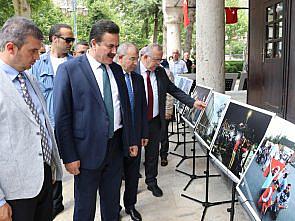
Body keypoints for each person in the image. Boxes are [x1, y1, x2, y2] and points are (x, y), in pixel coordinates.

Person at [54, 19, 136, 221]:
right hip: (86, 152)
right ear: (93, 43)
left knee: (111, 203)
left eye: (116, 46)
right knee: (85, 207)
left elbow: (125, 109)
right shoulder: (70, 70)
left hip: (115, 148)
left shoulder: (117, 70)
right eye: (110, 46)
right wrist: (69, 156)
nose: (114, 51)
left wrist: (131, 140)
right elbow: (62, 117)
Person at [0, 16, 63, 221]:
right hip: (14, 193)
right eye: (33, 51)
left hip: (43, 181)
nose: (37, 57)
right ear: (11, 48)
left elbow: (41, 124)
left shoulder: (31, 79)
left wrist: (51, 165)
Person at [135, 43, 206, 197]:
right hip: (136, 123)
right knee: (133, 157)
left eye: (160, 60)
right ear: (145, 57)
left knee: (152, 154)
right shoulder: (131, 71)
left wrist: (192, 102)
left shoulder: (160, 72)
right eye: (156, 60)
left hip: (154, 121)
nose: (159, 63)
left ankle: (151, 182)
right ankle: (132, 186)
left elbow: (173, 90)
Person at [29, 23, 74, 219]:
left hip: (72, 125)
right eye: (68, 40)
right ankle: (56, 202)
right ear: (54, 39)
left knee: (74, 162)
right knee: (51, 164)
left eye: (72, 40)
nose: (71, 43)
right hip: (49, 125)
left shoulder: (76, 65)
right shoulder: (38, 65)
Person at [116, 42, 149, 221]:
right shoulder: (113, 77)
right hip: (117, 137)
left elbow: (142, 108)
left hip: (136, 134)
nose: (136, 62)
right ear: (120, 58)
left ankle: (131, 205)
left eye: (136, 58)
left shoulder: (137, 79)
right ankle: (115, 207)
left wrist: (144, 133)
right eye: (132, 58)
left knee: (132, 174)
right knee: (114, 178)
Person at [159, 61, 174, 167]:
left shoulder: (165, 72)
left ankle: (164, 156)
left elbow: (170, 93)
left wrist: (168, 110)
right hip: (149, 114)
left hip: (164, 111)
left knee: (163, 134)